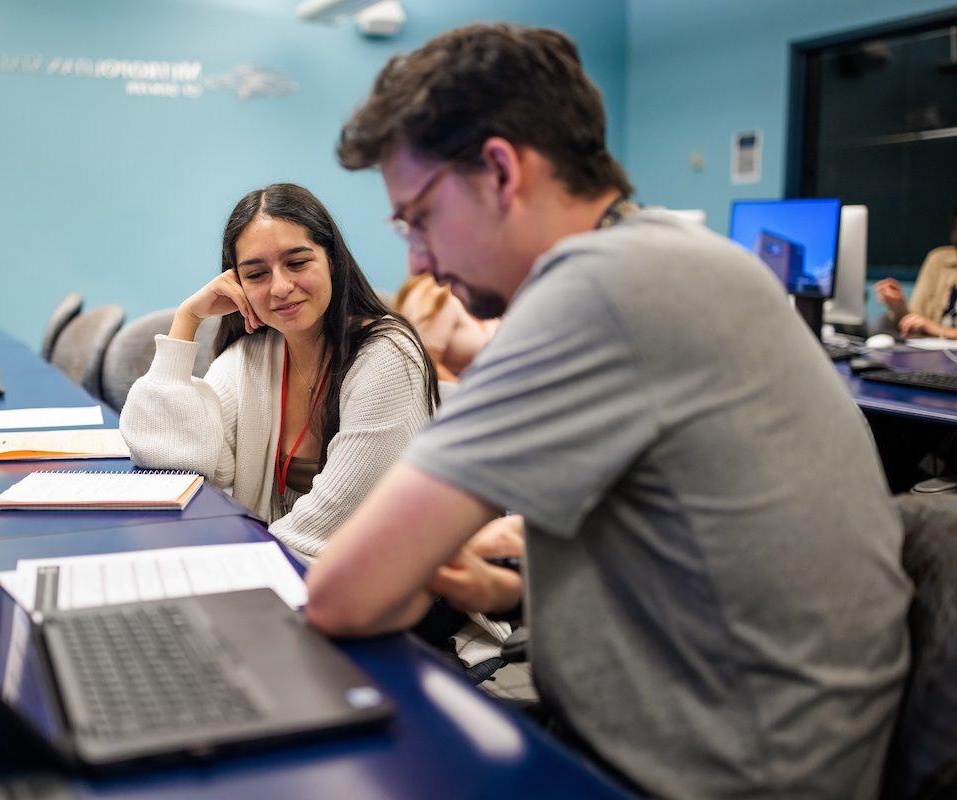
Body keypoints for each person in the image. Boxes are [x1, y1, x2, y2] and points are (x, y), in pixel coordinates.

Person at [306, 23, 910, 799]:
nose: (417, 259)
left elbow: (344, 595)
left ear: (499, 171)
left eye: (418, 217)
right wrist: (520, 585)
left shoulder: (601, 289)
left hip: (710, 774)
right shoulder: (668, 256)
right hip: (743, 733)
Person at [120, 183, 437, 560]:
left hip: (385, 590)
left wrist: (234, 564)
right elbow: (171, 457)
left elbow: (332, 525)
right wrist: (186, 320)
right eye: (256, 274)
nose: (281, 287)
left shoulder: (388, 357)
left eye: (298, 262)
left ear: (332, 260)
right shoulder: (254, 355)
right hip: (283, 570)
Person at [392, 274, 499, 382]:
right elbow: (423, 363)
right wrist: (468, 391)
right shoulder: (437, 292)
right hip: (454, 393)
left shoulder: (485, 297)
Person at [875, 206, 957, 339]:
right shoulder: (939, 260)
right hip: (931, 351)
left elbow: (929, 326)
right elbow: (917, 318)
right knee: (881, 325)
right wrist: (899, 306)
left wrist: (938, 330)